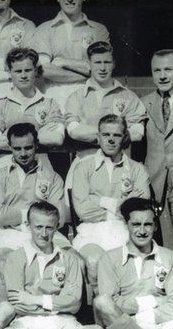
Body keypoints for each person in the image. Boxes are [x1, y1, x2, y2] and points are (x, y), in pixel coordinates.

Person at [70, 114, 150, 296]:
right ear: (98, 137)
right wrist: (118, 205)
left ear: (125, 137)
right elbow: (82, 210)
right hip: (92, 232)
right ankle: (103, 313)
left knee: (129, 263)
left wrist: (96, 199)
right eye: (106, 135)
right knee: (94, 261)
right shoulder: (83, 167)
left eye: (117, 135)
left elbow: (140, 211)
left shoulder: (137, 169)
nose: (111, 140)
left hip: (125, 231)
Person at [0, 123, 68, 301]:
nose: (23, 153)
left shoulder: (52, 177)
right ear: (9, 148)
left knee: (75, 260)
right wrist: (38, 213)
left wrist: (17, 214)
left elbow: (60, 218)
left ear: (37, 145)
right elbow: (1, 216)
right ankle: (6, 314)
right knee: (3, 263)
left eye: (28, 147)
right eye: (17, 148)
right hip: (9, 234)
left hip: (45, 232)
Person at [95, 198, 173, 329]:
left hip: (159, 321)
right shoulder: (109, 258)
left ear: (155, 226)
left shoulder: (169, 257)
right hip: (124, 324)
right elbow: (110, 304)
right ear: (126, 224)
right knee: (101, 302)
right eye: (136, 224)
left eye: (148, 224)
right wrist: (155, 301)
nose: (142, 231)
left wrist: (140, 318)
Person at [33, 0, 110, 110]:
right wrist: (86, 70)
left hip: (89, 95)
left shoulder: (98, 30)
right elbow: (44, 70)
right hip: (54, 96)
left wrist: (63, 62)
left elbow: (101, 68)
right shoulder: (44, 29)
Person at [3, 201, 84, 328]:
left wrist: (33, 299)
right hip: (27, 320)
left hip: (63, 320)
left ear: (56, 227)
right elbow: (18, 305)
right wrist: (58, 304)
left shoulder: (70, 259)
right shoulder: (15, 258)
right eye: (38, 227)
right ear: (28, 225)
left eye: (49, 227)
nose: (44, 234)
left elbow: (74, 303)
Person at [0, 48, 64, 172]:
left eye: (28, 70)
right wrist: (38, 135)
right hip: (5, 165)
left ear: (35, 71)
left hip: (40, 165)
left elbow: (56, 138)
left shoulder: (50, 103)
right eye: (18, 71)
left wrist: (7, 136)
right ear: (10, 73)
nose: (23, 75)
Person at [65, 42, 146, 157]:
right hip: (86, 163)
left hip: (119, 163)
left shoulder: (129, 97)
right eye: (97, 62)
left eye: (107, 62)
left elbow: (138, 132)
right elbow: (74, 131)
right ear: (88, 65)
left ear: (114, 64)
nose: (102, 68)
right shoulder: (76, 97)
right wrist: (116, 134)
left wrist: (91, 133)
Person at [142, 49, 173, 250]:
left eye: (168, 69)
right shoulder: (144, 103)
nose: (162, 75)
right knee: (168, 247)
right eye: (157, 70)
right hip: (158, 187)